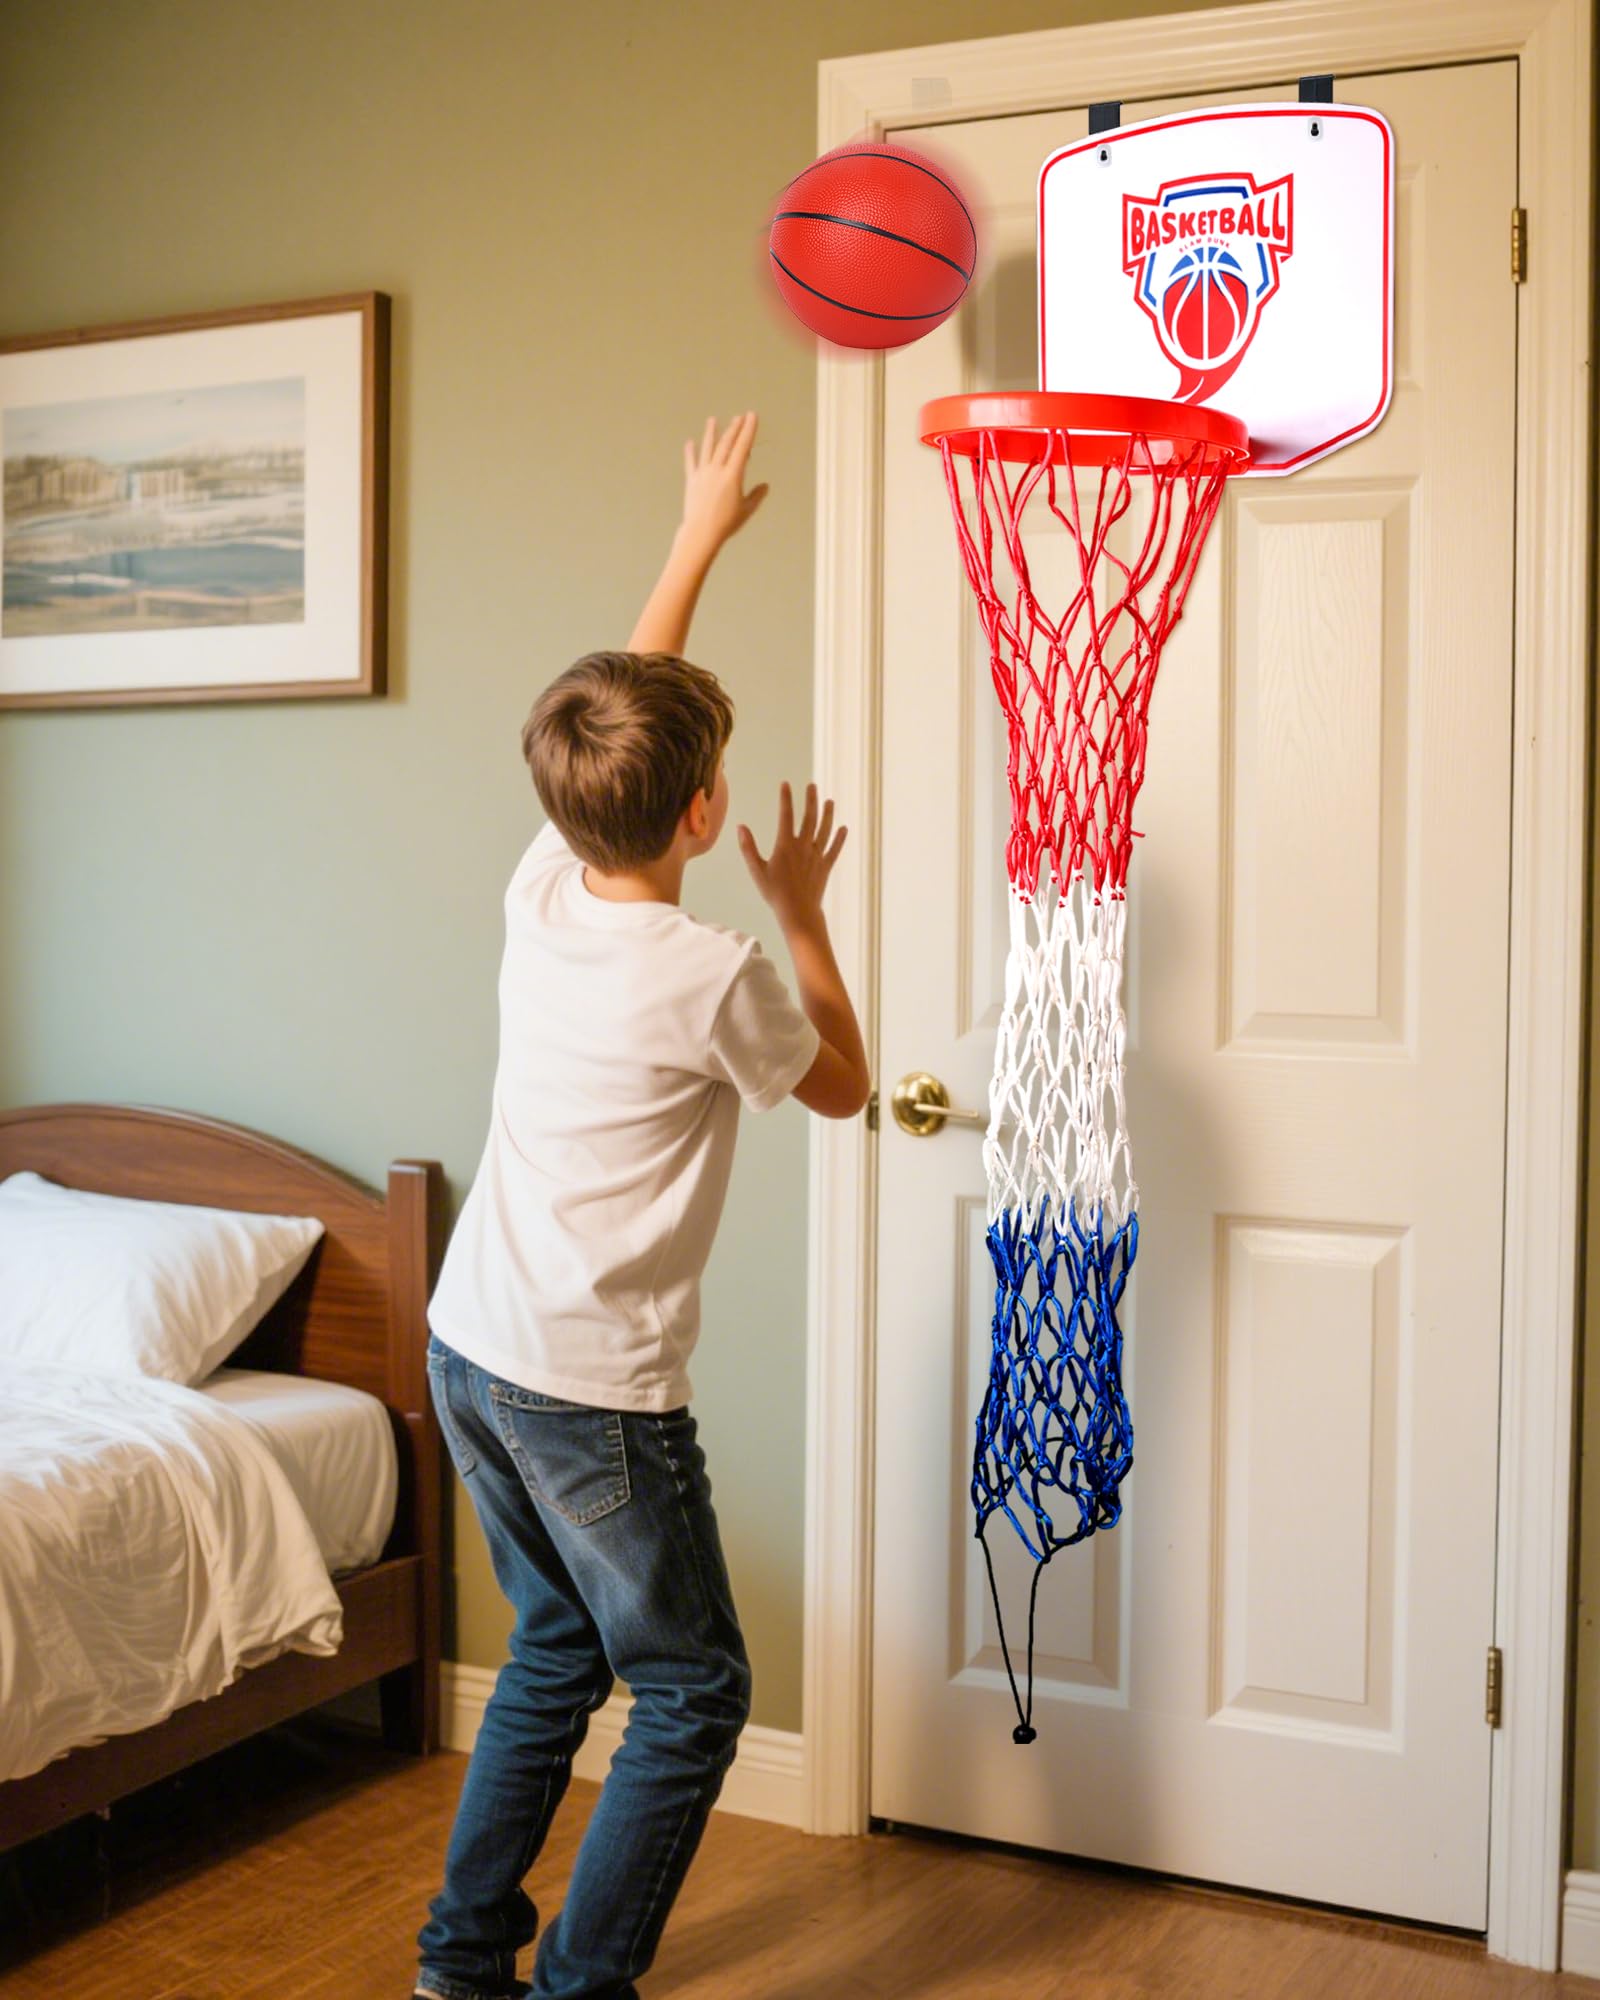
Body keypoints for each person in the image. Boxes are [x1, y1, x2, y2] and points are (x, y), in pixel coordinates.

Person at [415, 411, 871, 2000]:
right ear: (700, 816)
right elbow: (846, 1083)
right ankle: (573, 1987)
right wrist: (802, 916)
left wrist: (693, 539)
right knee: (693, 1694)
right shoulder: (714, 973)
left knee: (552, 1649)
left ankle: (458, 1966)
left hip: (471, 1345)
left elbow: (625, 702)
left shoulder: (545, 891)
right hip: (591, 1395)